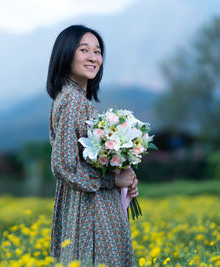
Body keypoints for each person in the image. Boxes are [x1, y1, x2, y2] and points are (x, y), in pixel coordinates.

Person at [46, 25, 138, 266]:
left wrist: (122, 171)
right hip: (90, 210)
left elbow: (84, 160)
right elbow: (63, 166)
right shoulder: (73, 102)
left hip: (86, 203)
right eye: (83, 49)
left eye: (97, 52)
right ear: (66, 54)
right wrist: (112, 181)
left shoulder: (70, 98)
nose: (93, 57)